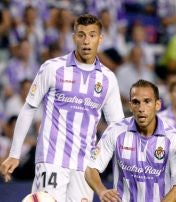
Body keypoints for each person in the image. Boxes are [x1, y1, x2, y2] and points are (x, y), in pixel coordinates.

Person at [0, 14, 124, 202]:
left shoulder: (108, 79)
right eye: (81, 35)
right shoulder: (52, 68)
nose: (86, 41)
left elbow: (116, 127)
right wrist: (14, 154)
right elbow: (28, 108)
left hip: (85, 167)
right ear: (74, 37)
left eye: (92, 35)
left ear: (100, 39)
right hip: (52, 160)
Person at [85, 79, 176, 202]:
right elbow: (91, 169)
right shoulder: (116, 131)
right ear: (130, 105)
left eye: (147, 101)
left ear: (157, 105)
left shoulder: (173, 139)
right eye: (136, 102)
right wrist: (101, 191)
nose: (141, 108)